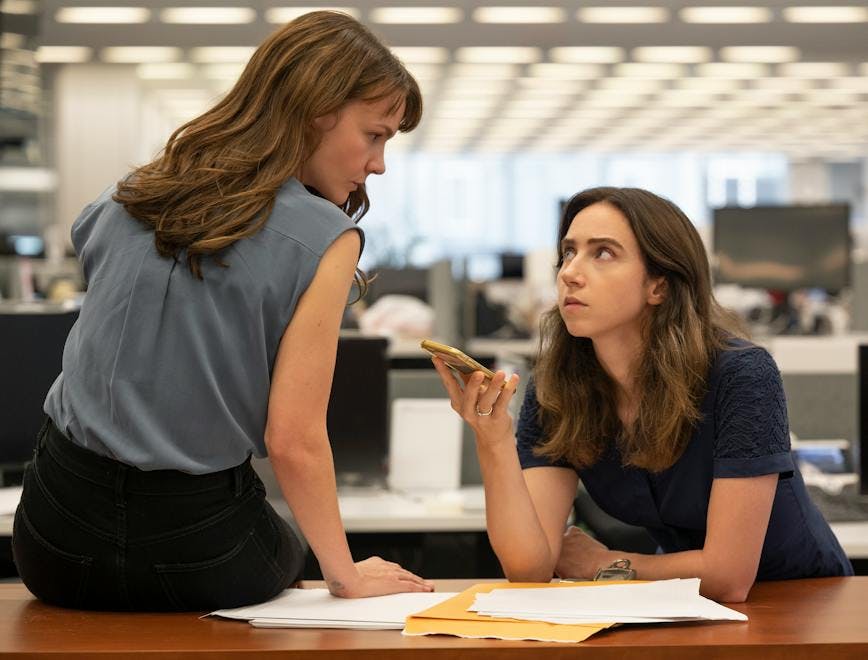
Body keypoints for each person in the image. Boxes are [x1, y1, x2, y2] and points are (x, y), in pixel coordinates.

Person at [13, 10, 433, 611]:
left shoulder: (128, 194)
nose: (379, 163)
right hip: (196, 547)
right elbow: (293, 440)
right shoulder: (326, 234)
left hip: (52, 539)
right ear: (318, 111)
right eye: (376, 134)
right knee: (285, 550)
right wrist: (345, 576)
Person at [432, 186, 853, 603]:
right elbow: (529, 567)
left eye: (603, 253)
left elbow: (728, 577)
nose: (569, 272)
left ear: (659, 286)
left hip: (799, 600)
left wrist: (603, 564)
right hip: (678, 601)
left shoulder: (740, 375)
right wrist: (494, 439)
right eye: (569, 252)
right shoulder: (560, 385)